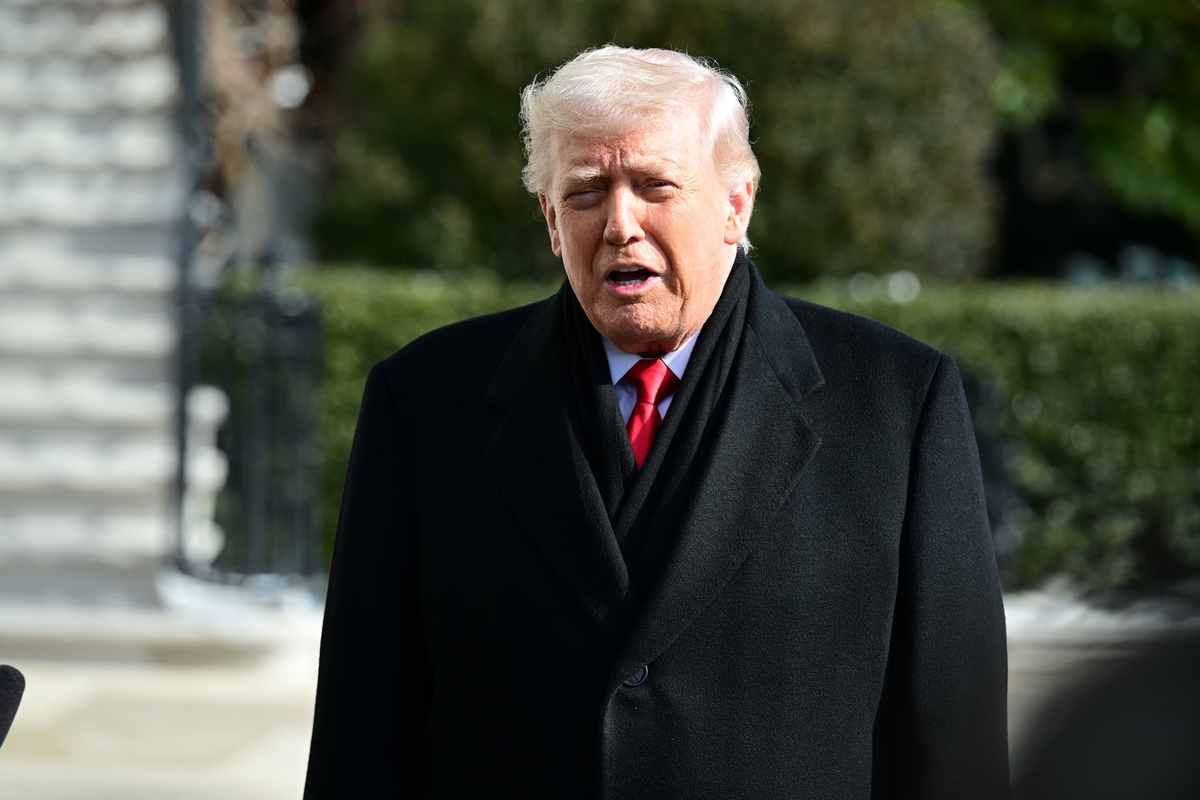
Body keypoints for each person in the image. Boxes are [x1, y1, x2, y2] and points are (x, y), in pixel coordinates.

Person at [304, 45, 1009, 799]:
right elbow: (361, 731)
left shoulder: (898, 404)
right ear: (550, 219)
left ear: (736, 205)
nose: (620, 224)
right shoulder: (423, 402)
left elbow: (952, 744)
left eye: (654, 186)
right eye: (585, 193)